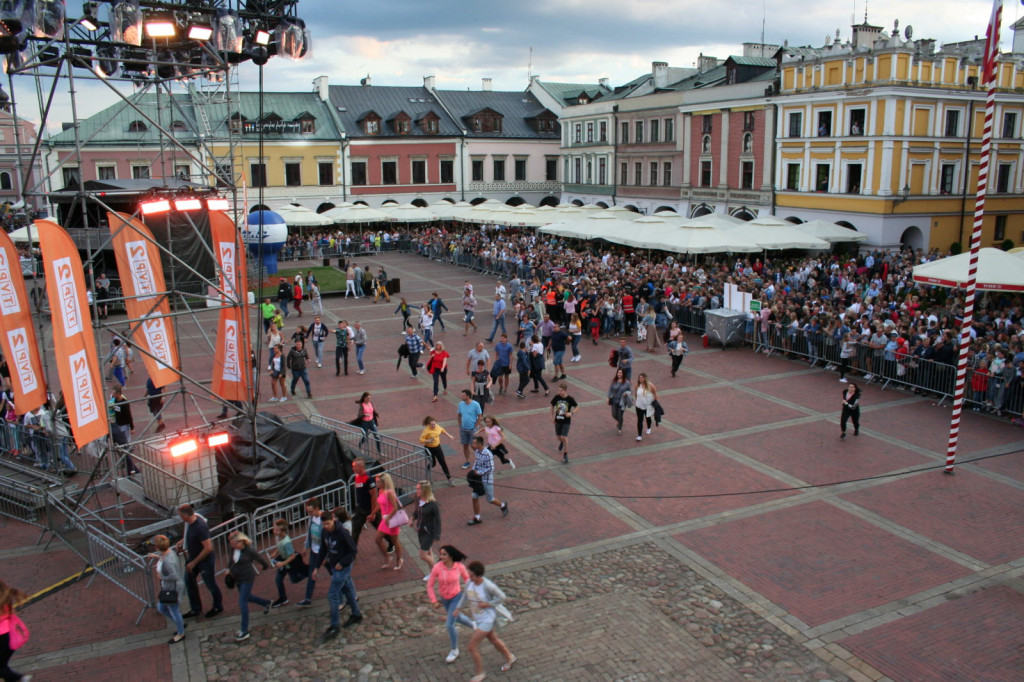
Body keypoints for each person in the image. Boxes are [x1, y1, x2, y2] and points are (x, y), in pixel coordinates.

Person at [454, 561, 517, 680]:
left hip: (487, 619)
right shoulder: (469, 583)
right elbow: (465, 597)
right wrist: (458, 609)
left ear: (479, 576)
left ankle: (480, 673)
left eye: (472, 575)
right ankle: (509, 657)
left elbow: (501, 597)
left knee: (471, 647)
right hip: (478, 618)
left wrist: (488, 604)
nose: (469, 577)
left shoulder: (488, 585)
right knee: (493, 639)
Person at [314, 508, 363, 636]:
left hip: (342, 567)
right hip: (334, 565)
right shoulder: (325, 532)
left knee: (332, 595)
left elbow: (353, 550)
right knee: (347, 590)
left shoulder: (342, 532)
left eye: (328, 524)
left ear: (333, 520)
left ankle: (335, 625)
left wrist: (342, 563)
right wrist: (316, 567)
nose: (326, 527)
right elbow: (323, 550)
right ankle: (356, 613)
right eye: (324, 524)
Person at [426, 545, 475, 665]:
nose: (441, 556)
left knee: (449, 624)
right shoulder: (437, 567)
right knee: (457, 617)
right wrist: (434, 600)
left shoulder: (459, 567)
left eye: (444, 554)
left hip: (456, 597)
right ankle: (473, 625)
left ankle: (454, 650)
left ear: (450, 556)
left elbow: (468, 581)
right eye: (440, 554)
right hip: (445, 599)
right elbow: (430, 585)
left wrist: (472, 595)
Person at [176, 504, 223, 620]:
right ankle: (195, 608)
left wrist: (194, 562)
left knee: (210, 584)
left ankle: (218, 606)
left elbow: (208, 548)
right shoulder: (189, 523)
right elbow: (189, 534)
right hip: (193, 556)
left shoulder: (200, 526)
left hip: (204, 560)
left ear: (186, 515)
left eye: (181, 516)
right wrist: (183, 541)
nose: (180, 518)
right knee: (189, 582)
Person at [226, 531, 271, 642]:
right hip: (238, 578)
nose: (233, 546)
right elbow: (231, 560)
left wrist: (264, 566)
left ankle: (244, 630)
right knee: (247, 597)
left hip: (247, 578)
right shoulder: (233, 549)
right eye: (232, 544)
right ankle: (266, 603)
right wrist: (228, 569)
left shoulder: (249, 550)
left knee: (242, 602)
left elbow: (259, 559)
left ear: (241, 542)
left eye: (235, 544)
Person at [151, 534, 186, 644]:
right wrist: (156, 557)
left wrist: (162, 578)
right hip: (168, 587)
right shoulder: (167, 554)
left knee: (173, 610)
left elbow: (174, 576)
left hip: (172, 589)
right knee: (162, 608)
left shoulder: (168, 560)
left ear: (157, 548)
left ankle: (180, 632)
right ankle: (179, 623)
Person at [467, 435, 509, 525]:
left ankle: (502, 505)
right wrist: (473, 470)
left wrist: (479, 473)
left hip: (486, 480)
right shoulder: (477, 451)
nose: (472, 445)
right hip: (478, 480)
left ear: (479, 444)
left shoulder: (488, 454)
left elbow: (491, 468)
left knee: (490, 499)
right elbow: (477, 462)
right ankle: (477, 517)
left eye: (474, 443)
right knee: (474, 497)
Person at [269, 519, 307, 607]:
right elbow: (279, 546)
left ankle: (308, 573)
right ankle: (282, 598)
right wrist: (275, 553)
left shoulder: (287, 542)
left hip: (289, 563)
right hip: (284, 560)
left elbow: (292, 555)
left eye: (275, 529)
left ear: (281, 531)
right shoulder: (280, 537)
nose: (273, 531)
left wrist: (282, 564)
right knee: (278, 579)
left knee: (294, 579)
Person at [375, 472, 405, 571]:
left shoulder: (390, 493)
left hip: (391, 519)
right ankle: (388, 557)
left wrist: (388, 517)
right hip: (385, 519)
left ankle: (399, 559)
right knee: (378, 540)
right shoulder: (380, 491)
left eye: (379, 482)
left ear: (384, 482)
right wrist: (373, 513)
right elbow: (380, 504)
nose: (377, 484)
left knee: (395, 541)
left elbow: (395, 507)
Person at [0, 579, 29, 682]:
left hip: (3, 638)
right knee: (2, 665)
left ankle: (20, 678)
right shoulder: (5, 596)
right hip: (8, 637)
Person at [297, 497, 323, 607]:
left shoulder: (324, 519)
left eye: (311, 511)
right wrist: (306, 547)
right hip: (314, 550)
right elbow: (309, 533)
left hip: (323, 552)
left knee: (334, 572)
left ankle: (350, 594)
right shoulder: (311, 519)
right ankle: (308, 598)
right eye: (308, 511)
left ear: (317, 508)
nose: (309, 513)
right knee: (311, 574)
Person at [412, 480, 441, 576]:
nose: (416, 491)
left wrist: (436, 535)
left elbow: (438, 521)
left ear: (424, 490)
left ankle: (436, 571)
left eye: (418, 489)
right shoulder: (418, 499)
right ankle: (432, 572)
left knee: (422, 554)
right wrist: (412, 518)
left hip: (429, 532)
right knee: (428, 552)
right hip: (421, 531)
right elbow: (417, 511)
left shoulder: (433, 505)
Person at [109, 384, 138, 475]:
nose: (113, 395)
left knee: (125, 444)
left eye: (114, 393)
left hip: (124, 425)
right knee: (121, 444)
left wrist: (132, 427)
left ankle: (127, 459)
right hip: (118, 425)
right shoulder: (115, 402)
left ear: (118, 393)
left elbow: (129, 416)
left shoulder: (124, 402)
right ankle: (126, 459)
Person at [419, 416, 454, 485]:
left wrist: (449, 435)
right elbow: (421, 440)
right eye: (432, 425)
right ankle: (428, 468)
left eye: (434, 424)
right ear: (429, 424)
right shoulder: (426, 431)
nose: (433, 426)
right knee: (433, 463)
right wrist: (428, 440)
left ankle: (449, 479)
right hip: (428, 448)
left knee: (443, 462)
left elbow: (442, 430)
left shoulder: (437, 427)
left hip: (437, 447)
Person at [550, 382, 579, 463]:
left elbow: (577, 407)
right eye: (559, 390)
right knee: (559, 437)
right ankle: (562, 442)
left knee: (565, 437)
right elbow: (552, 405)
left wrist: (571, 413)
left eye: (561, 391)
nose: (559, 392)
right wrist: (552, 416)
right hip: (557, 420)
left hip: (566, 421)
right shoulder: (556, 397)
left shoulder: (570, 399)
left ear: (565, 390)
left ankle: (565, 454)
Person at [457, 390, 483, 469]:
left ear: (468, 396)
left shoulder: (475, 404)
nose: (462, 397)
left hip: (472, 429)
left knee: (474, 445)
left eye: (463, 396)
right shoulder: (461, 404)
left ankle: (480, 460)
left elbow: (480, 416)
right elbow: (459, 415)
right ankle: (467, 461)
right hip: (463, 429)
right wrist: (460, 425)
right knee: (465, 445)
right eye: (462, 395)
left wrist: (476, 426)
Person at [634, 372, 658, 441]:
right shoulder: (637, 386)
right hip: (639, 406)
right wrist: (636, 401)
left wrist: (655, 403)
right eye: (639, 378)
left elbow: (655, 394)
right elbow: (636, 394)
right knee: (640, 420)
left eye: (642, 378)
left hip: (648, 406)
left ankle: (649, 427)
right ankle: (639, 435)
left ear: (645, 378)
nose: (640, 379)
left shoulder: (650, 386)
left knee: (648, 418)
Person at [607, 368, 632, 435]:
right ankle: (619, 421)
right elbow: (610, 390)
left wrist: (626, 393)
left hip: (622, 401)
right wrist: (608, 398)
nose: (619, 374)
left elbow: (630, 391)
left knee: (620, 415)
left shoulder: (627, 382)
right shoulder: (614, 381)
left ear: (623, 374)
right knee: (614, 414)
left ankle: (619, 428)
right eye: (618, 373)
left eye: (621, 373)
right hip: (614, 400)